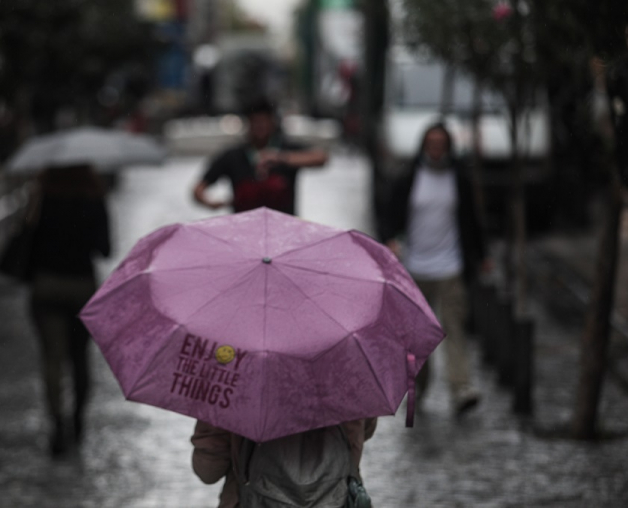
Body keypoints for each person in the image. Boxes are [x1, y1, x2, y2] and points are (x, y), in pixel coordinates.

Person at [378, 123, 492, 416]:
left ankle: (461, 387)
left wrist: (481, 255)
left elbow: (471, 219)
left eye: (442, 142)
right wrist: (390, 240)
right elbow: (390, 212)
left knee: (455, 328)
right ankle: (418, 386)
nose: (437, 148)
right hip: (415, 269)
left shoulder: (459, 180)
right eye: (432, 142)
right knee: (419, 337)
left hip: (451, 266)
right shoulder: (408, 178)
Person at [27, 164, 111, 456]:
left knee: (52, 359)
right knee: (79, 359)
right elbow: (106, 247)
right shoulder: (93, 197)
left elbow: (28, 241)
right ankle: (77, 419)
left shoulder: (43, 197)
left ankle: (56, 423)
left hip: (47, 285)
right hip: (82, 288)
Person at [191, 418, 377, 508]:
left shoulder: (238, 363)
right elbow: (365, 432)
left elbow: (208, 470)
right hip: (338, 500)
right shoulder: (350, 364)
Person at [192, 98, 328, 216]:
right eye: (255, 122)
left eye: (264, 122)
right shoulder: (233, 156)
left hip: (285, 231)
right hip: (244, 231)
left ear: (273, 123)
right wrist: (211, 203)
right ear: (248, 124)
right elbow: (198, 189)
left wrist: (281, 158)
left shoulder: (285, 150)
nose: (259, 127)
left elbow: (321, 157)